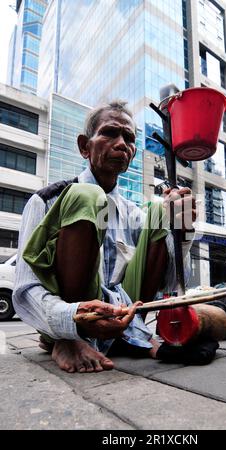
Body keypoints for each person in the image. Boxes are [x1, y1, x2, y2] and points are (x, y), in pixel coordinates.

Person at [13, 101, 198, 374]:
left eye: (129, 138)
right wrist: (69, 321)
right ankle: (70, 341)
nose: (122, 144)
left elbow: (168, 282)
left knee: (160, 211)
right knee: (86, 196)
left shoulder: (134, 213)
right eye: (110, 133)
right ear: (84, 147)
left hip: (123, 310)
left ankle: (124, 335)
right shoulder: (48, 200)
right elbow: (25, 291)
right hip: (75, 316)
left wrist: (181, 227)